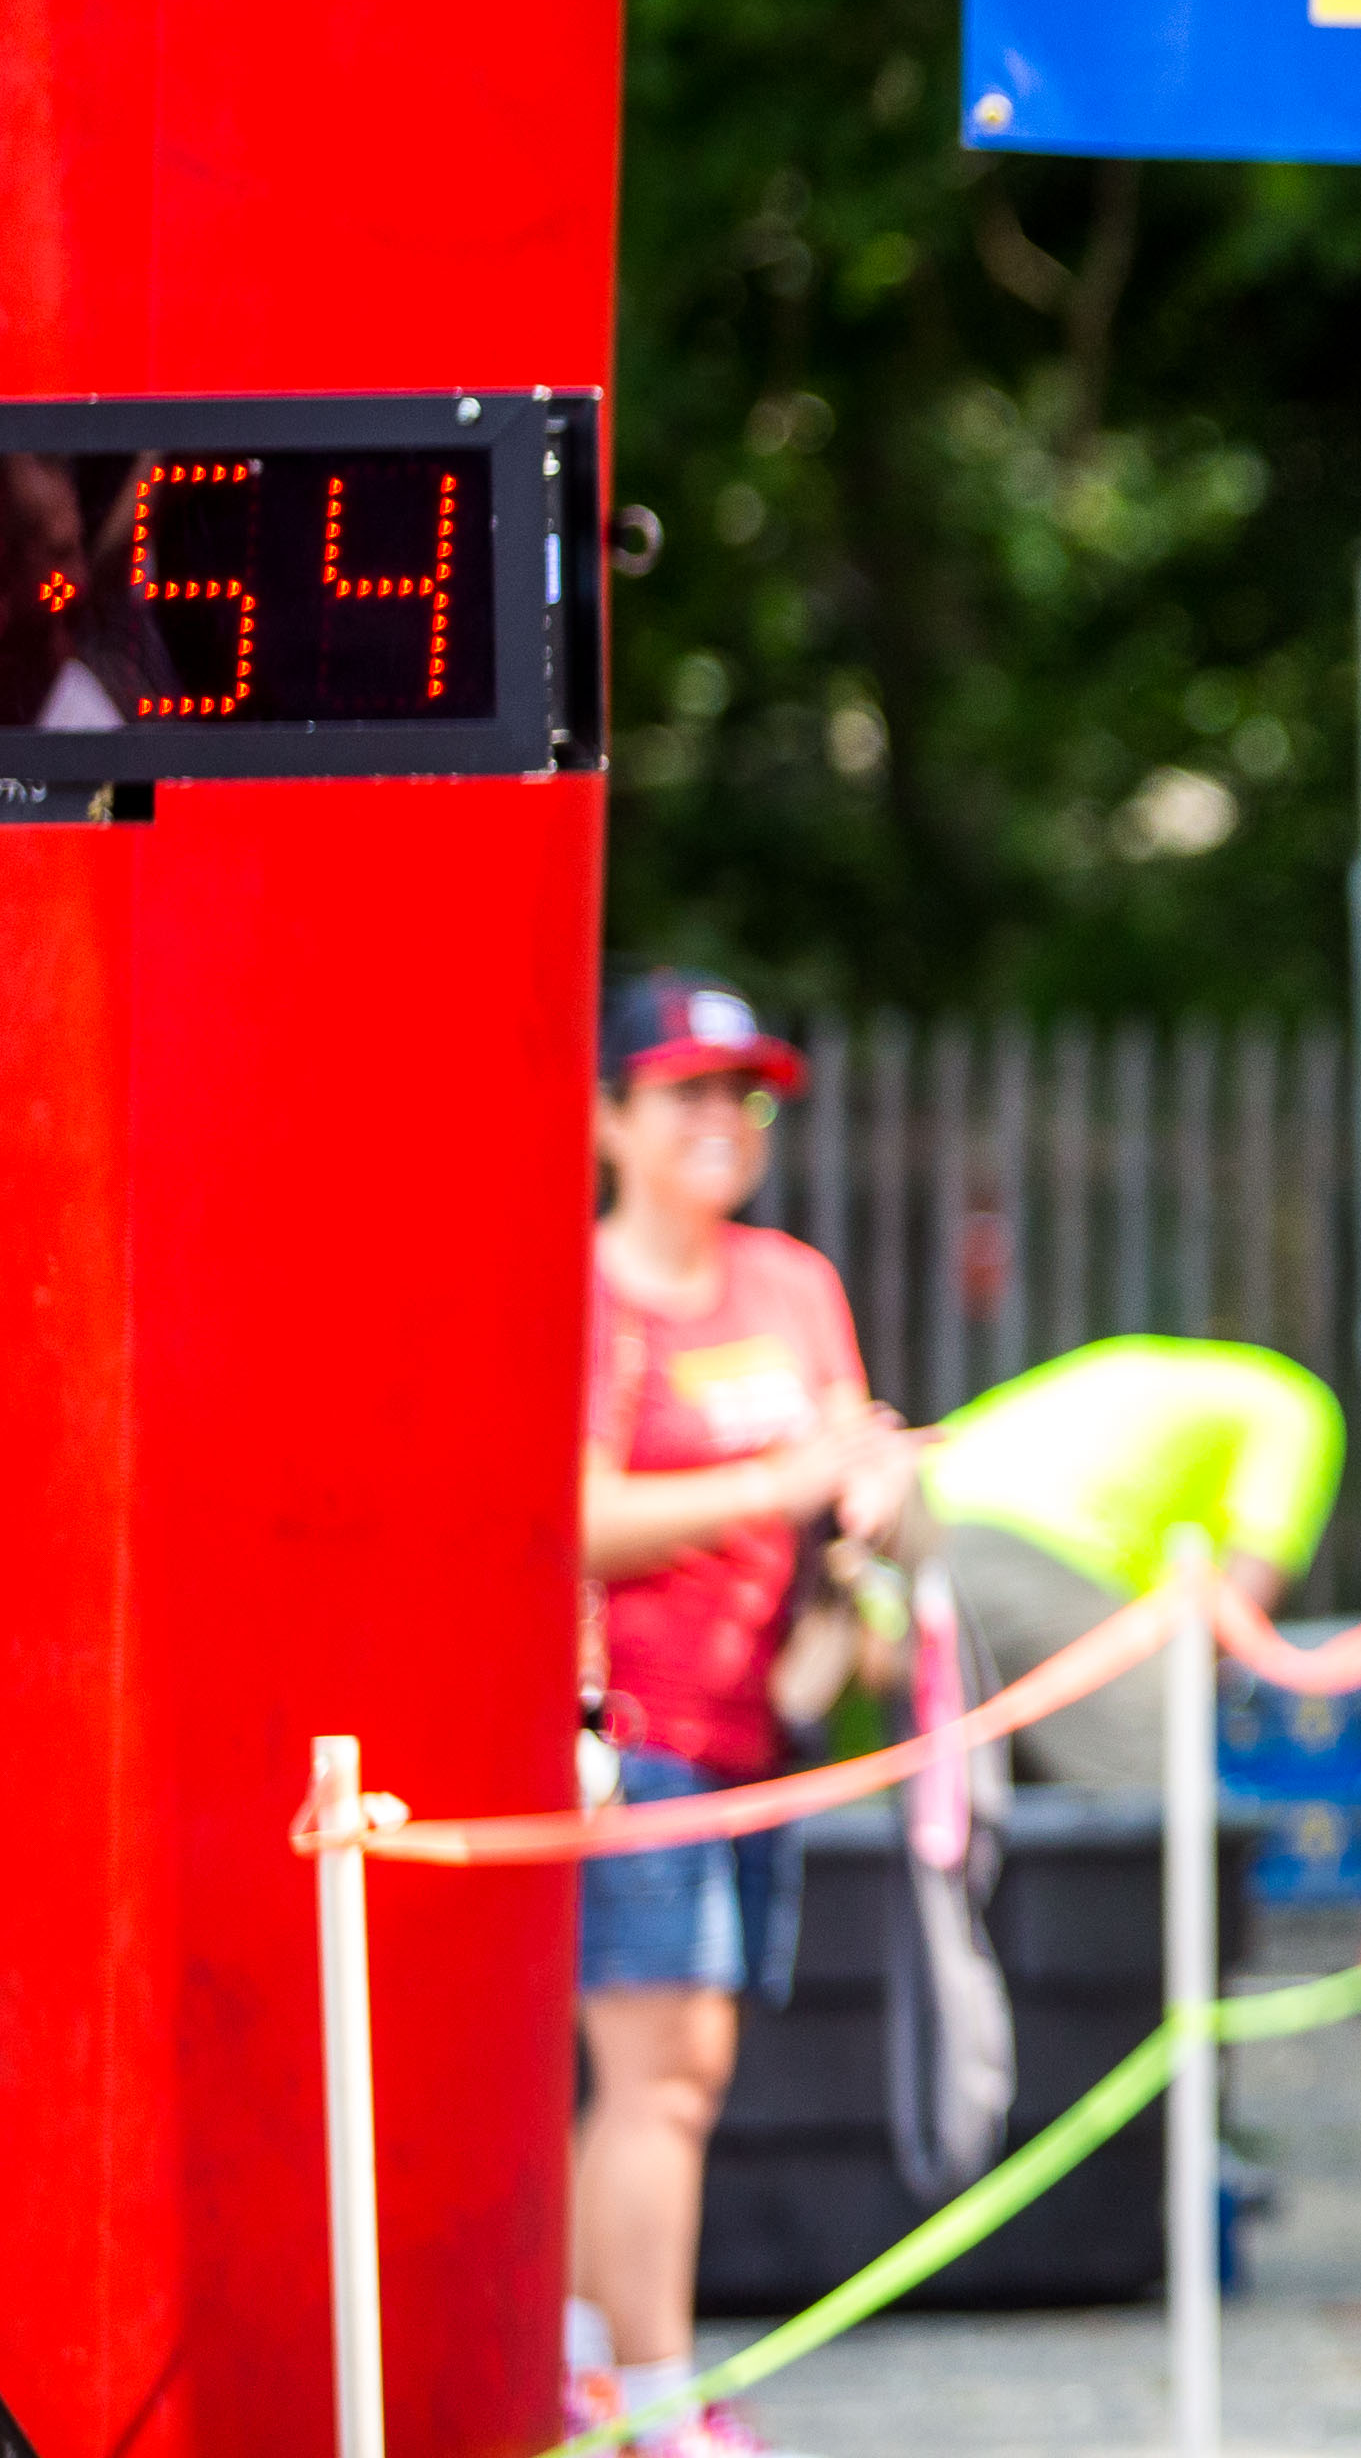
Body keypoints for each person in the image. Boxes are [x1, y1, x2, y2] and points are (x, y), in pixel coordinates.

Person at [575, 970, 917, 2458]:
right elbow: (569, 1520)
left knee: (687, 2072)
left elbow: (852, 1462)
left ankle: (590, 2366)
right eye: (685, 1091)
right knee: (663, 2072)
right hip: (626, 1731)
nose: (721, 1118)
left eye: (742, 1092)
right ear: (609, 1116)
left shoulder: (791, 1280)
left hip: (759, 1728)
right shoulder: (582, 1288)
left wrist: (882, 1500)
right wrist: (778, 1487)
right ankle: (645, 2400)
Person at [916, 1333, 1345, 1784]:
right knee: (1159, 1775)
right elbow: (1240, 1596)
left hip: (923, 1516)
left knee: (990, 1788)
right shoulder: (1300, 1408)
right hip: (1025, 1539)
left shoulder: (1181, 1382)